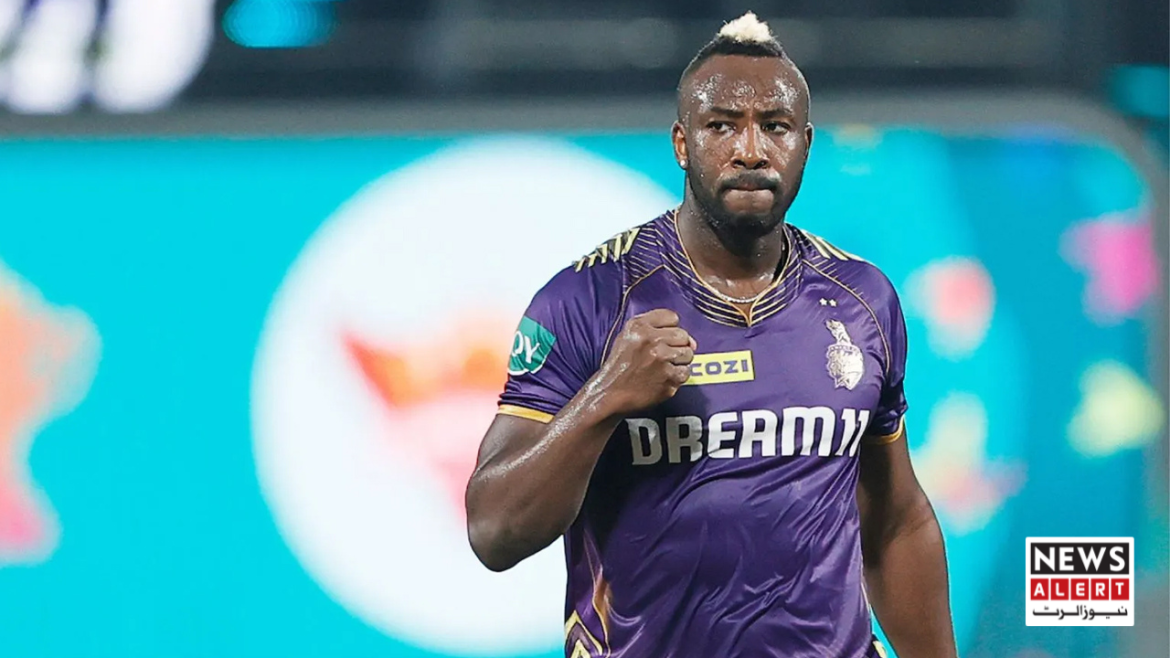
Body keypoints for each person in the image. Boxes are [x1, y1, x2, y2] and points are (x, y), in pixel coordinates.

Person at [465, 11, 958, 658]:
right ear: (681, 143)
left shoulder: (862, 300)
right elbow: (495, 532)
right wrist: (605, 396)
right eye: (722, 125)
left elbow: (895, 522)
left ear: (805, 144)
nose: (750, 150)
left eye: (774, 127)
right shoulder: (589, 300)